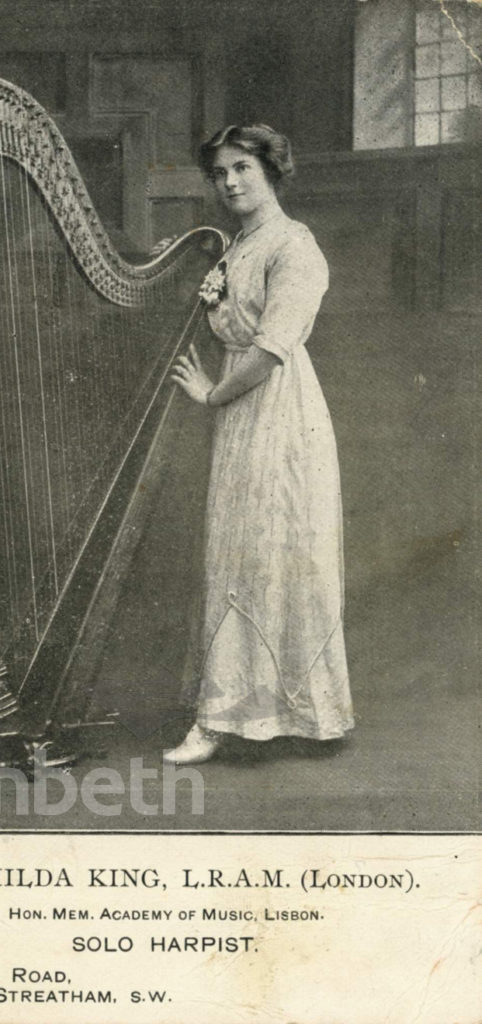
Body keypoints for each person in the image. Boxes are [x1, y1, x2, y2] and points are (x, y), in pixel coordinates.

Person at [165, 124, 354, 765]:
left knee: (273, 550)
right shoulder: (238, 244)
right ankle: (228, 713)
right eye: (220, 174)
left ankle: (275, 713)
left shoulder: (296, 246)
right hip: (243, 414)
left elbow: (272, 348)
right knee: (238, 550)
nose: (231, 183)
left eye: (242, 168)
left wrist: (214, 394)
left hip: (278, 409)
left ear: (272, 169)